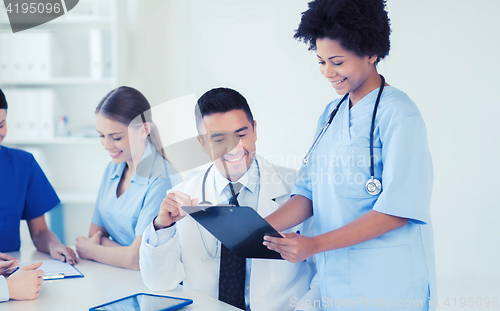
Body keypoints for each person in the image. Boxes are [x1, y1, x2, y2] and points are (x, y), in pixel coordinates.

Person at [263, 1, 436, 310]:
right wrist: (258, 230)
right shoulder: (331, 114)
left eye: (337, 62)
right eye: (321, 62)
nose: (327, 72)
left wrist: (313, 245)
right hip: (338, 284)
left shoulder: (400, 114)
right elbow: (307, 193)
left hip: (388, 286)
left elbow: (397, 210)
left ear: (371, 53)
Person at [139, 87, 319, 311]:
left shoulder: (298, 190)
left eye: (241, 135)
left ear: (254, 130)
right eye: (219, 139)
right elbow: (159, 282)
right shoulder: (183, 195)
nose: (233, 148)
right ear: (203, 144)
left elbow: (324, 272)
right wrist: (161, 226)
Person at [75, 86, 181, 270]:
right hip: (115, 274)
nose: (107, 145)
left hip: (152, 285)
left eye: (116, 137)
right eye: (101, 136)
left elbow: (137, 259)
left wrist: (89, 250)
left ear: (143, 130)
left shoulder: (161, 179)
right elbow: (95, 233)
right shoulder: (113, 168)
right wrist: (122, 252)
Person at [0, 89, 78, 264]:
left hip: (13, 276)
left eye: (0, 125)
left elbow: (39, 232)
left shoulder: (22, 164)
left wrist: (53, 245)